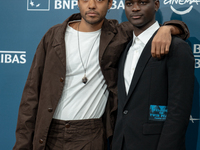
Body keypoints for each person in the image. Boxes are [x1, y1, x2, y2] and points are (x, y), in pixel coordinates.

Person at [13, 0, 189, 149]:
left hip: (91, 134)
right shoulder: (54, 36)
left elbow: (148, 27)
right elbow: (31, 94)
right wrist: (22, 144)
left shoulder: (119, 34)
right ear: (77, 2)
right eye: (85, 0)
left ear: (111, 4)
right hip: (50, 130)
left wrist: (169, 29)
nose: (91, 5)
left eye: (99, 0)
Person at [112, 0, 195, 149]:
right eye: (129, 3)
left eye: (142, 2)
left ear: (156, 5)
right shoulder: (124, 47)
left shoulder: (176, 47)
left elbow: (179, 112)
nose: (135, 8)